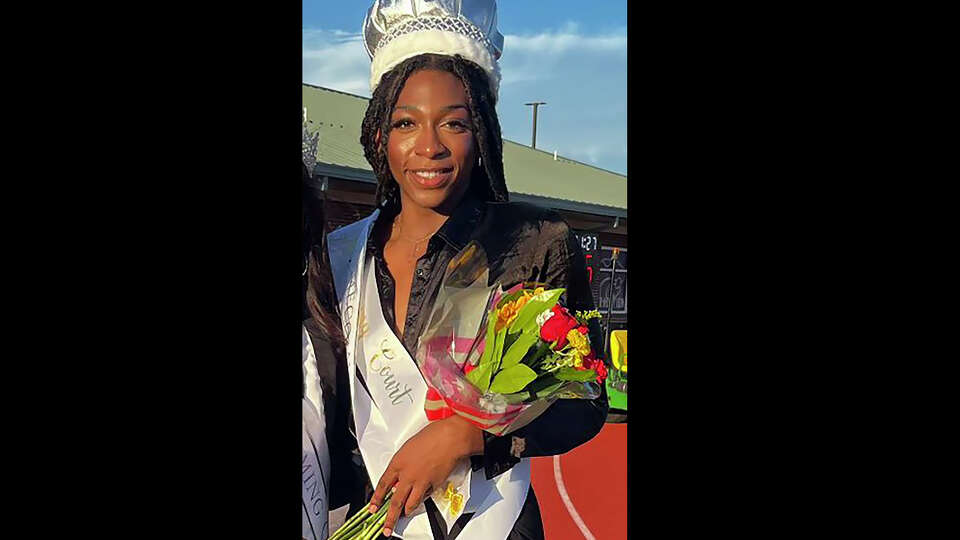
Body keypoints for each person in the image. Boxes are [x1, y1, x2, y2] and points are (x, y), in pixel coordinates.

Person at [306, 2, 608, 538]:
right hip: (378, 521)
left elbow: (584, 401)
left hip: (494, 521)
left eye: (454, 123)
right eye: (406, 123)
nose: (430, 146)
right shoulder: (338, 255)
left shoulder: (535, 240)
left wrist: (467, 436)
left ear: (483, 132)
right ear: (380, 134)